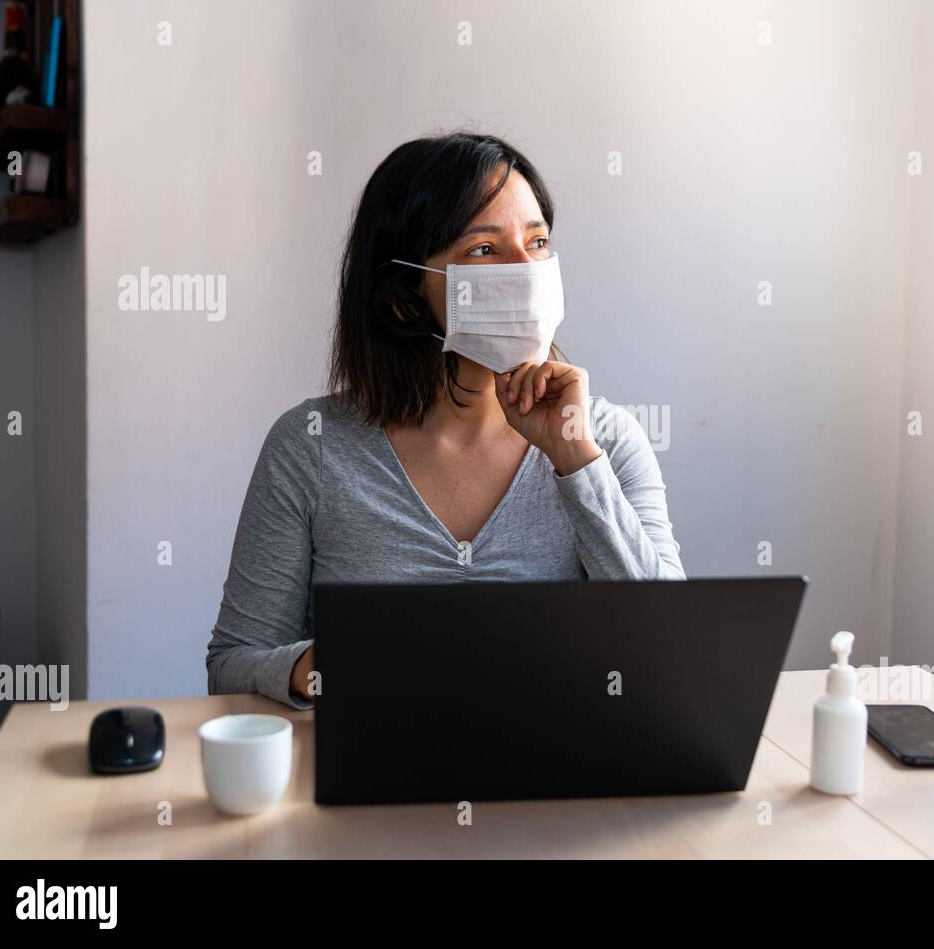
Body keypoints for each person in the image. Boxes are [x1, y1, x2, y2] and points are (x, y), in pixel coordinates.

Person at [206, 132, 684, 708]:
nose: (526, 271)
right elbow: (232, 666)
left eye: (537, 242)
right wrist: (320, 666)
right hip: (368, 779)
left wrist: (576, 462)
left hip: (557, 776)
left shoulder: (604, 440)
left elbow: (669, 652)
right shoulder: (309, 447)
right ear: (404, 297)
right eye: (485, 250)